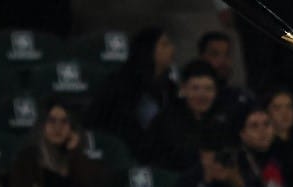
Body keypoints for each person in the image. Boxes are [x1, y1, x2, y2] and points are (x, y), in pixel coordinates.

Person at [8, 99, 113, 187]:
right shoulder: (26, 160)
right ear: (42, 126)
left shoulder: (80, 160)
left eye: (64, 122)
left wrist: (75, 154)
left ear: (72, 128)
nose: (58, 127)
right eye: (52, 121)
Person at [85, 26, 178, 155]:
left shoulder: (171, 88)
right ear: (148, 49)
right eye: (164, 44)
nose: (172, 49)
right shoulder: (120, 83)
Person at [140, 59, 230, 171]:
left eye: (208, 89)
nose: (202, 95)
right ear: (183, 89)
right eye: (195, 88)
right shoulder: (167, 120)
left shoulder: (220, 117)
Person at [196, 29, 253, 120]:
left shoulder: (241, 99)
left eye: (227, 54)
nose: (223, 61)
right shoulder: (193, 98)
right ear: (202, 57)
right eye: (215, 54)